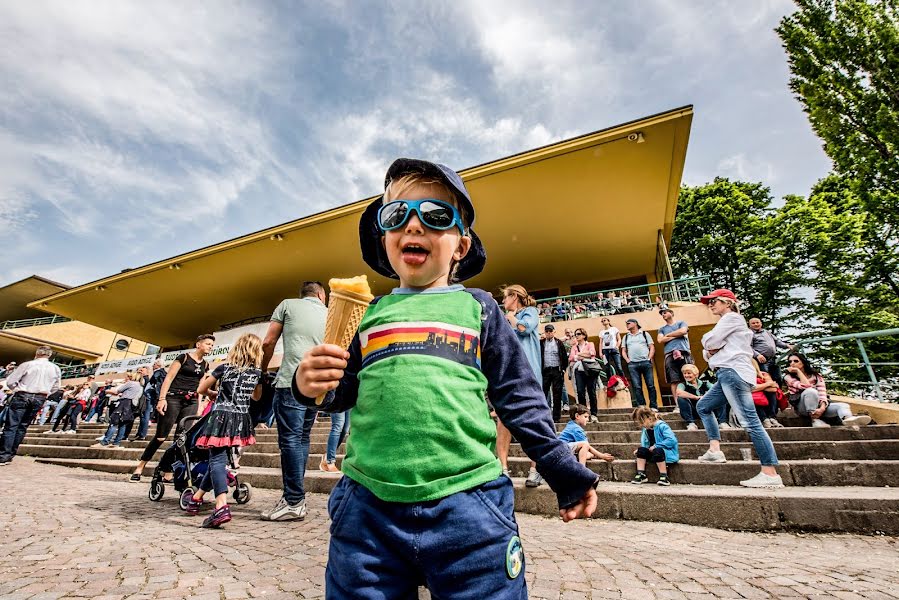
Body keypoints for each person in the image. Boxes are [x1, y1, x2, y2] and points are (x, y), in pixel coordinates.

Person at [294, 158, 599, 597]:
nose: (414, 226)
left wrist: (561, 468)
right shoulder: (369, 314)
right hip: (367, 509)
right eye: (397, 215)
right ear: (385, 238)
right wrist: (311, 385)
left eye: (436, 216)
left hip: (469, 507)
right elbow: (342, 392)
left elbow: (519, 396)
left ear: (460, 246)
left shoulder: (479, 308)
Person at [695, 289, 783, 488]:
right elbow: (708, 352)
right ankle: (715, 450)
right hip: (726, 372)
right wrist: (711, 348)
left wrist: (711, 346)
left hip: (732, 371)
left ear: (727, 302)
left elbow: (708, 342)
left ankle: (770, 472)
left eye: (714, 301)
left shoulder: (732, 318)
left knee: (750, 421)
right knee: (704, 406)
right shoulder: (727, 322)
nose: (710, 305)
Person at [259, 281, 328, 521]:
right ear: (321, 295)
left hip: (290, 380)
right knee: (302, 438)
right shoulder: (329, 313)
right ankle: (295, 498)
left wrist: (262, 371)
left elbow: (268, 342)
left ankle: (293, 500)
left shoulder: (287, 305)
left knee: (290, 440)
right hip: (316, 385)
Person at [184, 334, 265, 528]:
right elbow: (256, 397)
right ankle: (196, 498)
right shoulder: (257, 373)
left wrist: (214, 393)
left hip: (221, 415)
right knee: (218, 461)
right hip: (241, 418)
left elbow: (201, 389)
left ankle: (221, 506)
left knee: (217, 459)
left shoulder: (224, 368)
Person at [130, 335, 213, 482]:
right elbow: (168, 378)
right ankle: (141, 466)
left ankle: (168, 469)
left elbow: (200, 387)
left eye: (212, 345)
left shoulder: (206, 365)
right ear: (198, 344)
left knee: (181, 438)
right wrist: (162, 399)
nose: (210, 347)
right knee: (161, 436)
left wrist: (200, 405)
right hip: (173, 398)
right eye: (208, 344)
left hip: (191, 401)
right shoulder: (183, 358)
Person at [500, 284, 543, 487]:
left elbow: (525, 329)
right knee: (502, 420)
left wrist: (511, 318)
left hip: (529, 373)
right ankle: (502, 469)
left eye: (505, 298)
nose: (503, 302)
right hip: (507, 374)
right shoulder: (502, 319)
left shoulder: (530, 312)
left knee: (532, 421)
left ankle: (535, 469)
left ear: (514, 297)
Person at [0, 347, 61, 465]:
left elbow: (11, 381)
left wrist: (16, 389)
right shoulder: (55, 368)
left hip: (23, 394)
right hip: (40, 397)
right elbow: (56, 387)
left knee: (11, 425)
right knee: (22, 426)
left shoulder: (28, 364)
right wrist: (45, 393)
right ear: (49, 355)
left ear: (37, 353)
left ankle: (4, 455)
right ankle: (11, 454)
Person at [783, 353, 871, 428]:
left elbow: (822, 393)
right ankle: (815, 420)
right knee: (811, 391)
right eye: (790, 361)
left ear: (803, 362)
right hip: (803, 408)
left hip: (819, 407)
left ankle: (848, 419)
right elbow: (806, 386)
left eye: (796, 361)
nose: (792, 363)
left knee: (842, 405)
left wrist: (822, 408)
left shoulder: (816, 376)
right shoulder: (788, 377)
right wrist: (798, 372)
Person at [630, 406, 678, 486]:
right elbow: (645, 444)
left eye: (642, 422)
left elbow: (672, 440)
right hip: (653, 453)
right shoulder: (646, 429)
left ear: (649, 418)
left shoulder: (662, 426)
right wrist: (641, 451)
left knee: (658, 450)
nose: (641, 425)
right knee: (641, 449)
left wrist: (656, 446)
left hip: (666, 453)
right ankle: (641, 474)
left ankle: (664, 476)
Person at [93, 373, 142, 447]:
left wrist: (106, 391)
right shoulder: (140, 386)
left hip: (124, 403)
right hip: (131, 405)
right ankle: (116, 443)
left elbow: (116, 391)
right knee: (123, 424)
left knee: (114, 423)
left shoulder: (131, 383)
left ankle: (105, 441)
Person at [621, 318, 659, 410]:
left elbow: (651, 347)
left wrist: (649, 358)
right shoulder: (626, 337)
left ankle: (653, 406)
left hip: (646, 362)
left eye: (629, 323)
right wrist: (628, 361)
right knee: (637, 386)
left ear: (635, 323)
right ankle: (641, 406)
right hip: (633, 364)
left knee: (650, 385)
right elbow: (623, 350)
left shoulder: (645, 334)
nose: (627, 325)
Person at [675, 364, 727, 432]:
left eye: (689, 373)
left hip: (707, 409)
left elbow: (718, 390)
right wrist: (695, 397)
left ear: (696, 374)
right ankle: (691, 423)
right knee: (681, 399)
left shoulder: (705, 383)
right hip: (693, 411)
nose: (686, 375)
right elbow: (679, 392)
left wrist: (707, 396)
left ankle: (722, 422)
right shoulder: (682, 385)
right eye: (685, 373)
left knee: (720, 397)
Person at [657, 307, 692, 403]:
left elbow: (683, 331)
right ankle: (678, 404)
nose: (663, 315)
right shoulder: (661, 329)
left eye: (665, 312)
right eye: (662, 314)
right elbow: (660, 340)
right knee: (674, 380)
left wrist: (668, 335)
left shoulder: (681, 323)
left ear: (671, 313)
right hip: (669, 354)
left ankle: (691, 400)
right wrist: (677, 335)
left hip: (684, 352)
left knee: (689, 377)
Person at [568, 328, 600, 421]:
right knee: (580, 392)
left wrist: (578, 355)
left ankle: (594, 413)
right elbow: (571, 358)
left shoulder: (590, 344)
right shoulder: (574, 347)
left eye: (578, 334)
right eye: (575, 334)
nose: (576, 336)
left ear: (584, 335)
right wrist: (583, 354)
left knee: (591, 391)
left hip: (589, 369)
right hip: (579, 370)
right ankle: (584, 413)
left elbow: (592, 353)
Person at [749, 317, 792, 385]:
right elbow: (748, 347)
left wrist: (786, 345)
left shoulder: (766, 332)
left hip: (772, 359)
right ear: (749, 325)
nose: (756, 324)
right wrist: (757, 355)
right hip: (761, 361)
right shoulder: (749, 334)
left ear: (761, 323)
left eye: (757, 322)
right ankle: (769, 395)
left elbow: (776, 341)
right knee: (766, 378)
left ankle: (779, 394)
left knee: (777, 378)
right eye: (753, 323)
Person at [540, 324, 568, 422]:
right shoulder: (541, 343)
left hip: (557, 370)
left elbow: (564, 357)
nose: (549, 333)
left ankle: (556, 417)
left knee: (557, 393)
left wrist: (563, 369)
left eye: (550, 331)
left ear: (554, 332)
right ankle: (543, 416)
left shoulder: (559, 343)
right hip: (545, 371)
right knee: (543, 393)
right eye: (547, 331)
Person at [134, 360, 165, 441]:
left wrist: (158, 396)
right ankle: (141, 434)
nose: (152, 366)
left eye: (154, 364)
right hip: (152, 397)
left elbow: (156, 385)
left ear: (158, 365)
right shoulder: (162, 373)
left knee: (145, 415)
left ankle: (142, 434)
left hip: (150, 397)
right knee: (145, 415)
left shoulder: (158, 373)